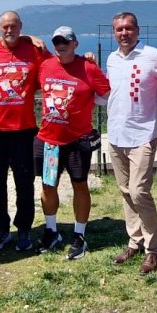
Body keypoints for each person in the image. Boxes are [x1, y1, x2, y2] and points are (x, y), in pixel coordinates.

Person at [34, 26, 110, 260]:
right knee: (48, 186)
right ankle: (51, 230)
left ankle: (79, 235)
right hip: (49, 140)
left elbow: (106, 94)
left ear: (75, 44)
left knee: (80, 185)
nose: (61, 45)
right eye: (57, 41)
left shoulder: (88, 67)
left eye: (65, 41)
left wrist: (90, 104)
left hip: (77, 140)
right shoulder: (46, 65)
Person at [106, 12, 157, 275]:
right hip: (116, 134)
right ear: (115, 32)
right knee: (124, 190)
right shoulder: (111, 59)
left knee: (139, 191)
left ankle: (154, 249)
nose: (124, 33)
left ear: (137, 30)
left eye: (129, 28)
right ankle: (134, 241)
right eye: (119, 29)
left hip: (142, 135)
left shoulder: (152, 56)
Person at [0, 10, 51, 252]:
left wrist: (85, 61)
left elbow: (57, 67)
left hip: (24, 129)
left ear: (21, 26)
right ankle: (1, 229)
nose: (9, 30)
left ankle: (24, 229)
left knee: (24, 182)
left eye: (13, 26)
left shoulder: (34, 50)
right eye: (5, 27)